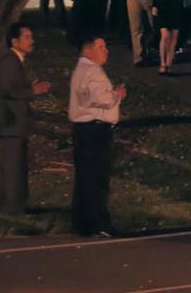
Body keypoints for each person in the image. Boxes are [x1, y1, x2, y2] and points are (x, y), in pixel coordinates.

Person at [0, 23, 51, 214]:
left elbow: (12, 87)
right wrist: (32, 89)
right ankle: (12, 207)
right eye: (27, 37)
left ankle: (15, 204)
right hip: (11, 122)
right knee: (13, 167)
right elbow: (8, 90)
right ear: (14, 41)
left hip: (15, 122)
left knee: (16, 165)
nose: (31, 41)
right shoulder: (9, 60)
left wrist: (28, 88)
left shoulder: (15, 60)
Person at [69, 37, 125, 236]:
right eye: (101, 47)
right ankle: (98, 223)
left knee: (85, 177)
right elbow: (102, 99)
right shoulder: (91, 71)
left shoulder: (82, 70)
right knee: (97, 177)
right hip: (94, 130)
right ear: (88, 49)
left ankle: (82, 221)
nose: (106, 51)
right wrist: (117, 94)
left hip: (84, 130)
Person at [151, 0, 191, 75]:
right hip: (163, 7)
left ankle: (169, 63)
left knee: (174, 36)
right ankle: (162, 63)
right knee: (165, 35)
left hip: (177, 7)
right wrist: (154, 5)